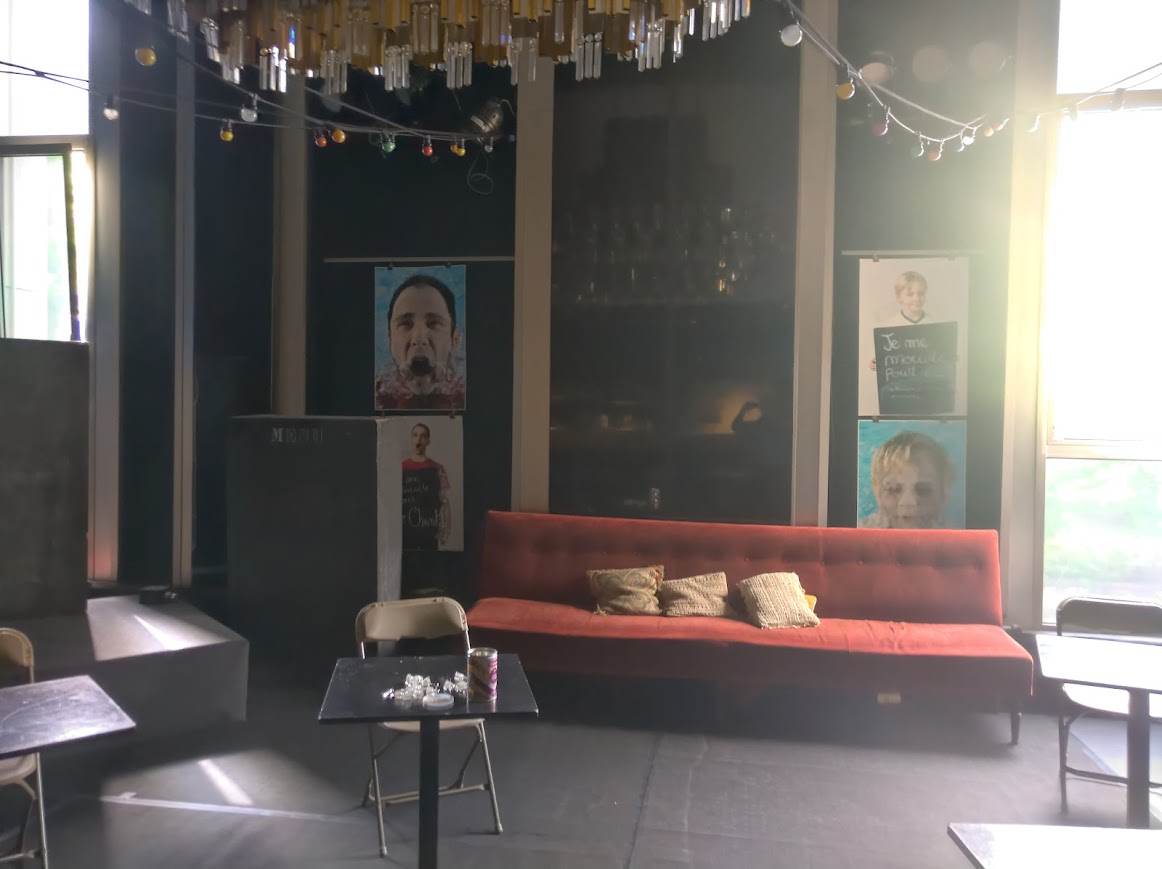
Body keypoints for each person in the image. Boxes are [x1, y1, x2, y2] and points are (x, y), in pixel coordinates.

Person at [375, 274, 465, 410]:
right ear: (389, 341)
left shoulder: (464, 393)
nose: (419, 339)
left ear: (455, 340)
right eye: (406, 324)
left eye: (433, 323)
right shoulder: (378, 394)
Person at [859, 430, 955, 529]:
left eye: (923, 490)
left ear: (944, 494)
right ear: (877, 492)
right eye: (893, 489)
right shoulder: (863, 531)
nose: (908, 502)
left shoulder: (952, 536)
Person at [868, 270, 931, 372]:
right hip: (900, 379)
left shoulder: (934, 324)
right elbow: (881, 357)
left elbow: (941, 355)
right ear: (899, 297)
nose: (916, 298)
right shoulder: (890, 326)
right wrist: (874, 362)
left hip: (928, 379)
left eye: (921, 293)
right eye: (910, 294)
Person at [401, 423, 451, 550]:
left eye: (423, 436)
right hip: (406, 532)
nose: (419, 439)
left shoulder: (438, 468)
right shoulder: (401, 468)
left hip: (429, 531)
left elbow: (444, 501)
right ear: (411, 439)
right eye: (415, 435)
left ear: (428, 441)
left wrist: (445, 530)